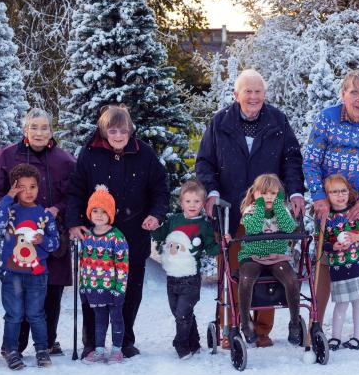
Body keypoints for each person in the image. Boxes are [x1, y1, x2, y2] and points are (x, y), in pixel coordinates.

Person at [195, 69, 305, 347]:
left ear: (264, 95)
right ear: (236, 95)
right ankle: (230, 328)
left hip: (269, 210)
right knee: (236, 272)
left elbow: (292, 159)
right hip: (232, 210)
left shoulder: (278, 120)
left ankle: (263, 330)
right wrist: (212, 192)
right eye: (248, 91)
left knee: (271, 268)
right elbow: (204, 162)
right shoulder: (220, 122)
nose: (253, 97)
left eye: (258, 91)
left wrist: (294, 192)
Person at [66, 105, 169, 358]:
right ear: (103, 131)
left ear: (130, 130)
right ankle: (91, 342)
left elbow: (160, 188)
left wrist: (155, 214)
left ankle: (125, 341)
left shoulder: (144, 153)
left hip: (133, 234)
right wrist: (74, 221)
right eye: (112, 130)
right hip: (97, 237)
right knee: (94, 288)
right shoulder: (90, 153)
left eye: (123, 130)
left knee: (130, 289)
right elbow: (76, 191)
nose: (118, 136)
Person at [303, 69, 359, 347]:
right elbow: (311, 161)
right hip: (332, 203)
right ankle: (315, 325)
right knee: (326, 260)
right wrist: (319, 197)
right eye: (355, 93)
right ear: (343, 94)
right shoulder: (327, 119)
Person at [0, 108, 76, 357]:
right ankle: (15, 344)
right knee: (21, 286)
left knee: (51, 288)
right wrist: (6, 212)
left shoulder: (66, 161)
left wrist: (57, 210)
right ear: (25, 130)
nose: (39, 133)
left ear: (52, 131)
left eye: (45, 127)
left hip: (52, 233)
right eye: (34, 127)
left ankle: (47, 341)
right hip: (19, 234)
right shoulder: (8, 156)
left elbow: (73, 196)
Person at [0, 163, 61, 370]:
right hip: (12, 273)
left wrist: (42, 241)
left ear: (38, 188)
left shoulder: (44, 215)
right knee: (14, 314)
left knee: (36, 314)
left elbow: (54, 243)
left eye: (32, 186)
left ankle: (41, 349)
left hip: (37, 274)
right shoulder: (10, 212)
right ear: (15, 188)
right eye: (22, 187)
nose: (28, 191)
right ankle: (10, 349)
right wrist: (7, 197)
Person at [151, 180, 219, 359]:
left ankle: (181, 345)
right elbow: (159, 235)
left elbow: (211, 247)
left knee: (182, 314)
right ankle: (194, 342)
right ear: (181, 203)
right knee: (180, 313)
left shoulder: (204, 225)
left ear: (203, 204)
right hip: (172, 277)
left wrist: (222, 243)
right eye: (188, 201)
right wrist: (152, 227)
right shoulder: (174, 220)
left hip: (190, 278)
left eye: (196, 202)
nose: (192, 205)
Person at [235, 174, 302, 346]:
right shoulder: (250, 210)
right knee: (246, 278)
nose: (269, 197)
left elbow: (288, 228)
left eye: (273, 193)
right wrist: (259, 206)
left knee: (292, 279)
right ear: (256, 194)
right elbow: (254, 228)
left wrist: (279, 207)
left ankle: (294, 323)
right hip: (253, 255)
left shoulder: (282, 210)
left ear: (279, 194)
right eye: (264, 193)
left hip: (276, 256)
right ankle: (245, 324)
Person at [316, 174, 359, 351]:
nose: (340, 195)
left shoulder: (357, 213)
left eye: (343, 191)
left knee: (358, 303)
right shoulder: (327, 219)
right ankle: (335, 338)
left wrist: (358, 236)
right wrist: (333, 246)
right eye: (334, 192)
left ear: (349, 192)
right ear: (327, 196)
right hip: (340, 269)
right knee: (341, 304)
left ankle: (356, 338)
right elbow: (322, 243)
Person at [78, 185, 130, 364]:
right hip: (94, 287)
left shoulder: (117, 237)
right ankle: (99, 349)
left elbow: (123, 266)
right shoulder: (88, 236)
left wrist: (119, 289)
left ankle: (117, 350)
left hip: (112, 288)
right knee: (99, 319)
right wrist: (83, 287)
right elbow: (84, 263)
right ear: (89, 213)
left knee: (116, 318)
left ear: (110, 214)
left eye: (103, 211)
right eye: (95, 211)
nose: (99, 215)